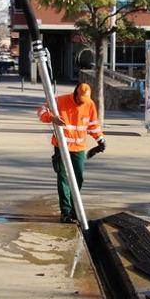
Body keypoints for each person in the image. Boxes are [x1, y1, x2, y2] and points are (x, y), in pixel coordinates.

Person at [37, 82, 105, 223]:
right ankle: (66, 212)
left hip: (79, 149)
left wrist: (100, 139)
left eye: (84, 101)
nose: (82, 103)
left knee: (78, 179)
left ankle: (76, 210)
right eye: (80, 100)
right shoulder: (61, 101)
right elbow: (41, 111)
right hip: (62, 147)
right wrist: (51, 118)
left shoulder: (89, 104)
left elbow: (92, 124)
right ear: (75, 94)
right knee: (64, 179)